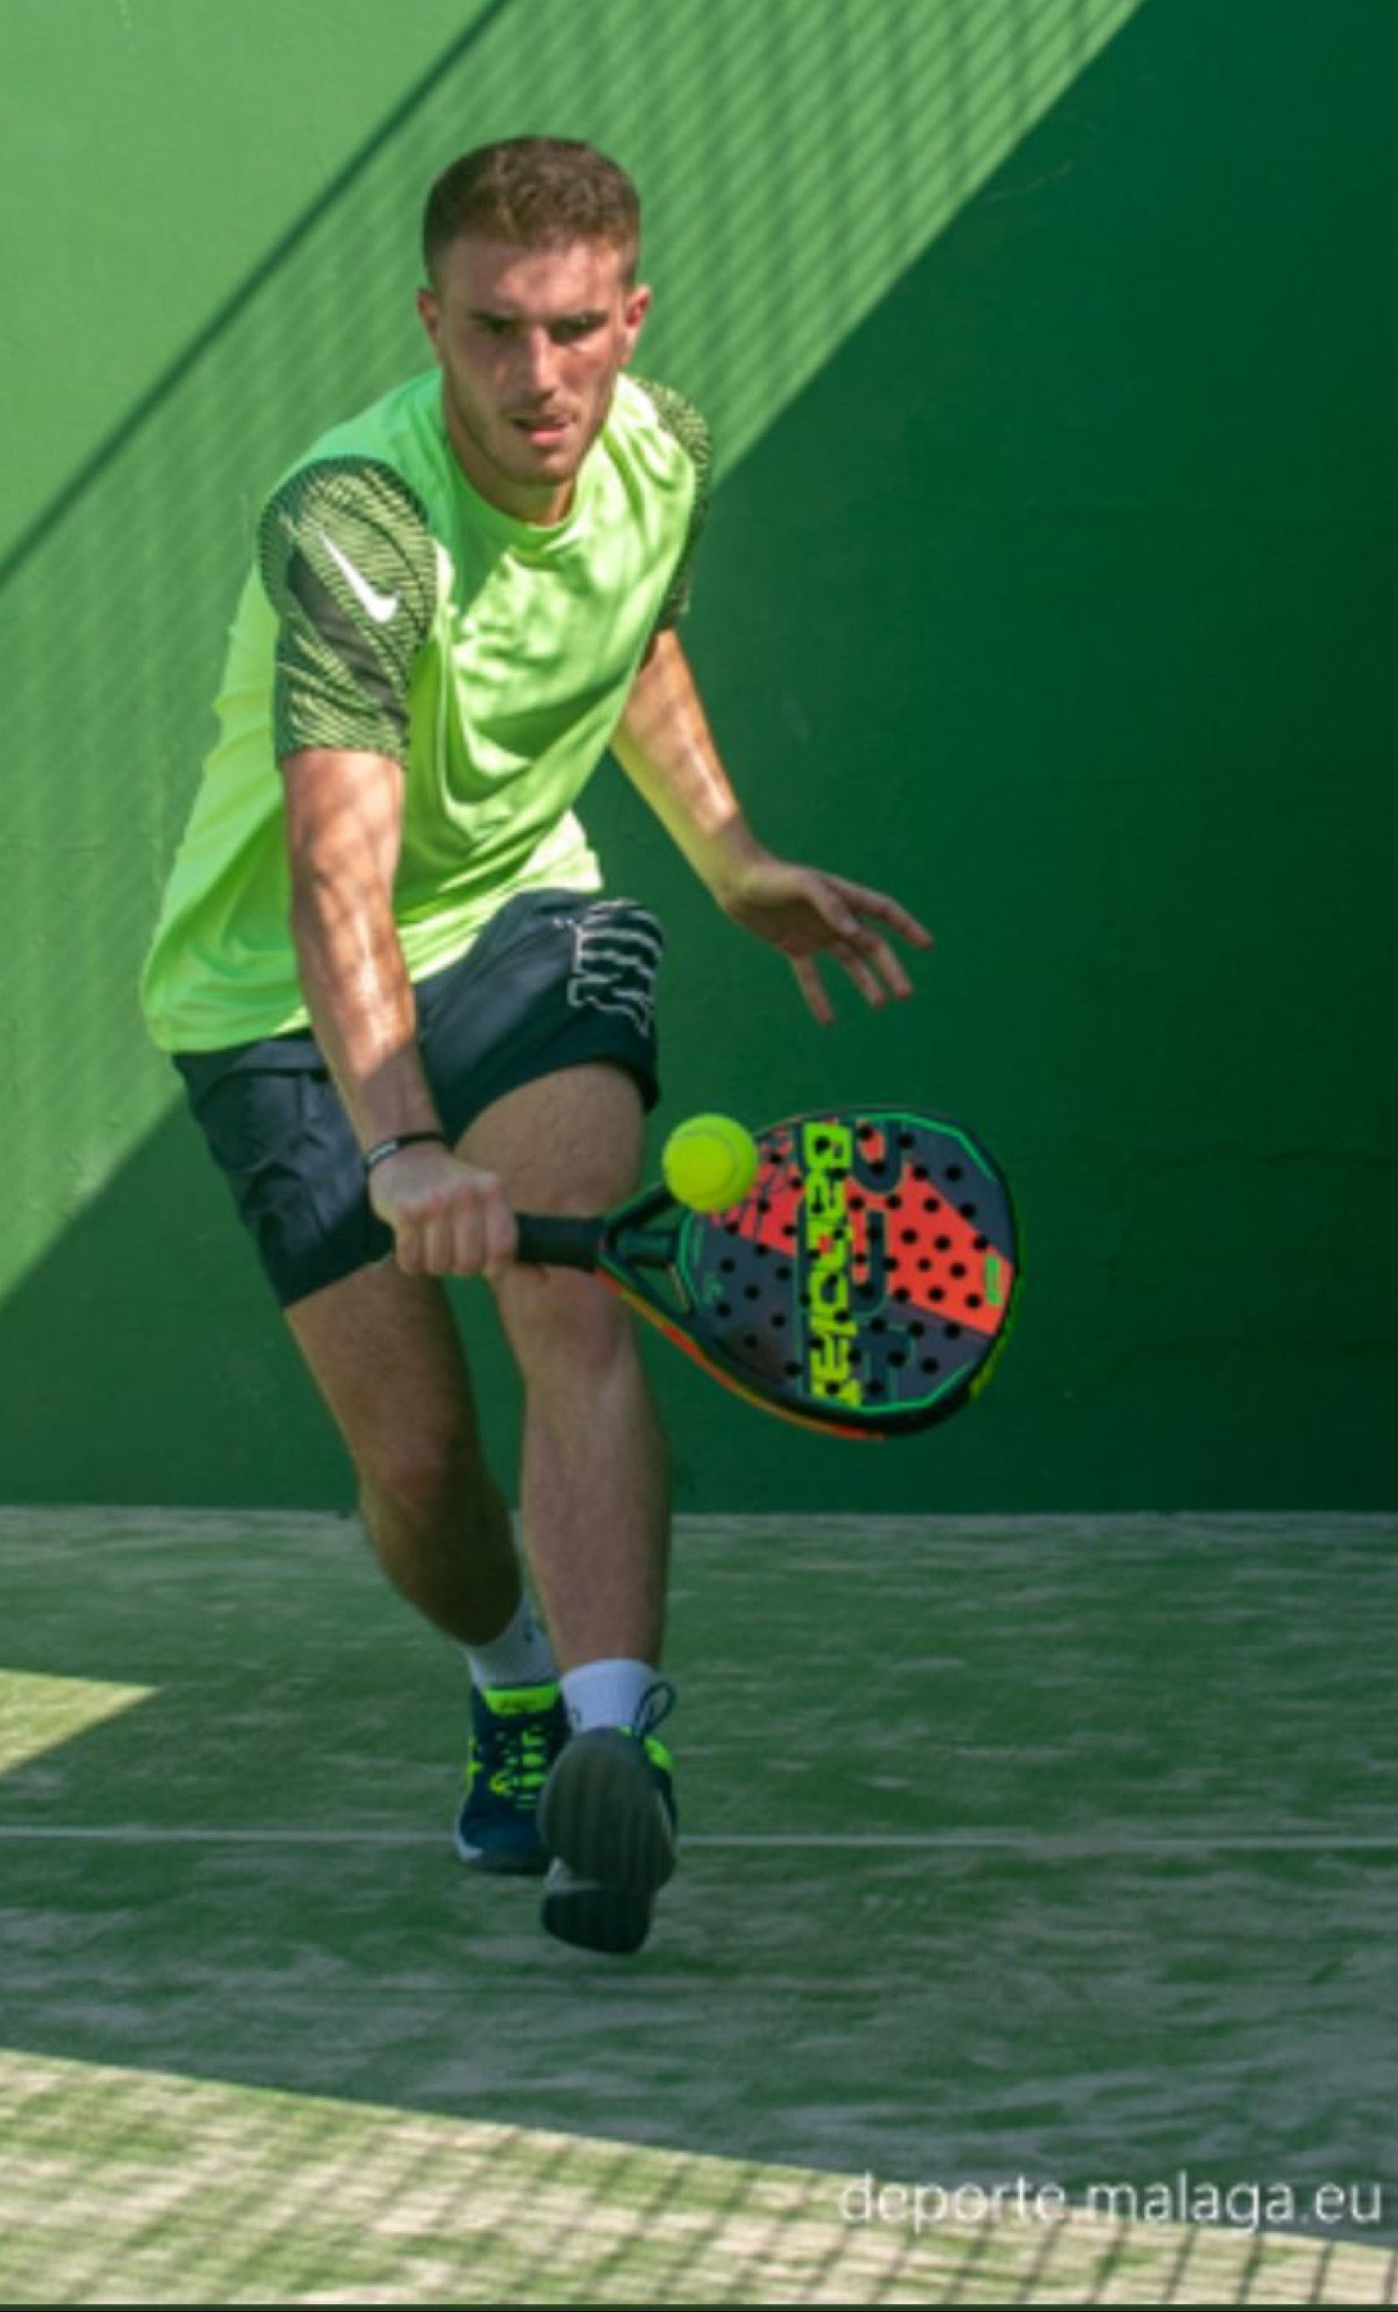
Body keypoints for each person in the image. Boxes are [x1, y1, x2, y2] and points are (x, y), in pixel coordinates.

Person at [140, 137, 930, 1955]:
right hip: (275, 996)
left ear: (630, 318)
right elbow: (335, 877)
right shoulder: (358, 523)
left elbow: (630, 640)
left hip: (523, 924)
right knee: (420, 1474)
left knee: (572, 1302)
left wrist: (729, 856)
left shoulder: (666, 453)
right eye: (495, 330)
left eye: (575, 329)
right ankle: (510, 1678)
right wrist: (404, 1141)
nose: (537, 375)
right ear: (432, 322)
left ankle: (609, 1748)